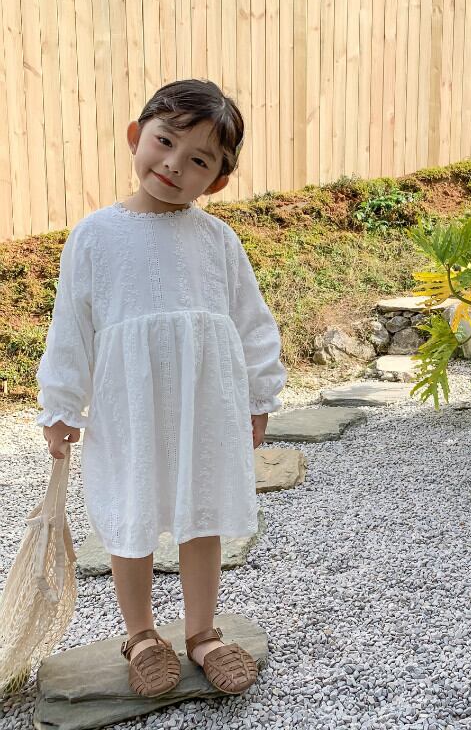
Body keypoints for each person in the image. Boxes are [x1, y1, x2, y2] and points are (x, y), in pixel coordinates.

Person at [35, 79, 287, 698]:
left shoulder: (217, 241)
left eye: (198, 159)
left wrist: (259, 397)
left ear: (217, 180)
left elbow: (251, 321)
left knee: (203, 512)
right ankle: (142, 634)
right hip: (128, 408)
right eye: (165, 141)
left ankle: (201, 632)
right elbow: (72, 325)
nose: (174, 164)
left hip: (205, 406)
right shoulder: (95, 235)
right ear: (136, 136)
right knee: (132, 511)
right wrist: (61, 405)